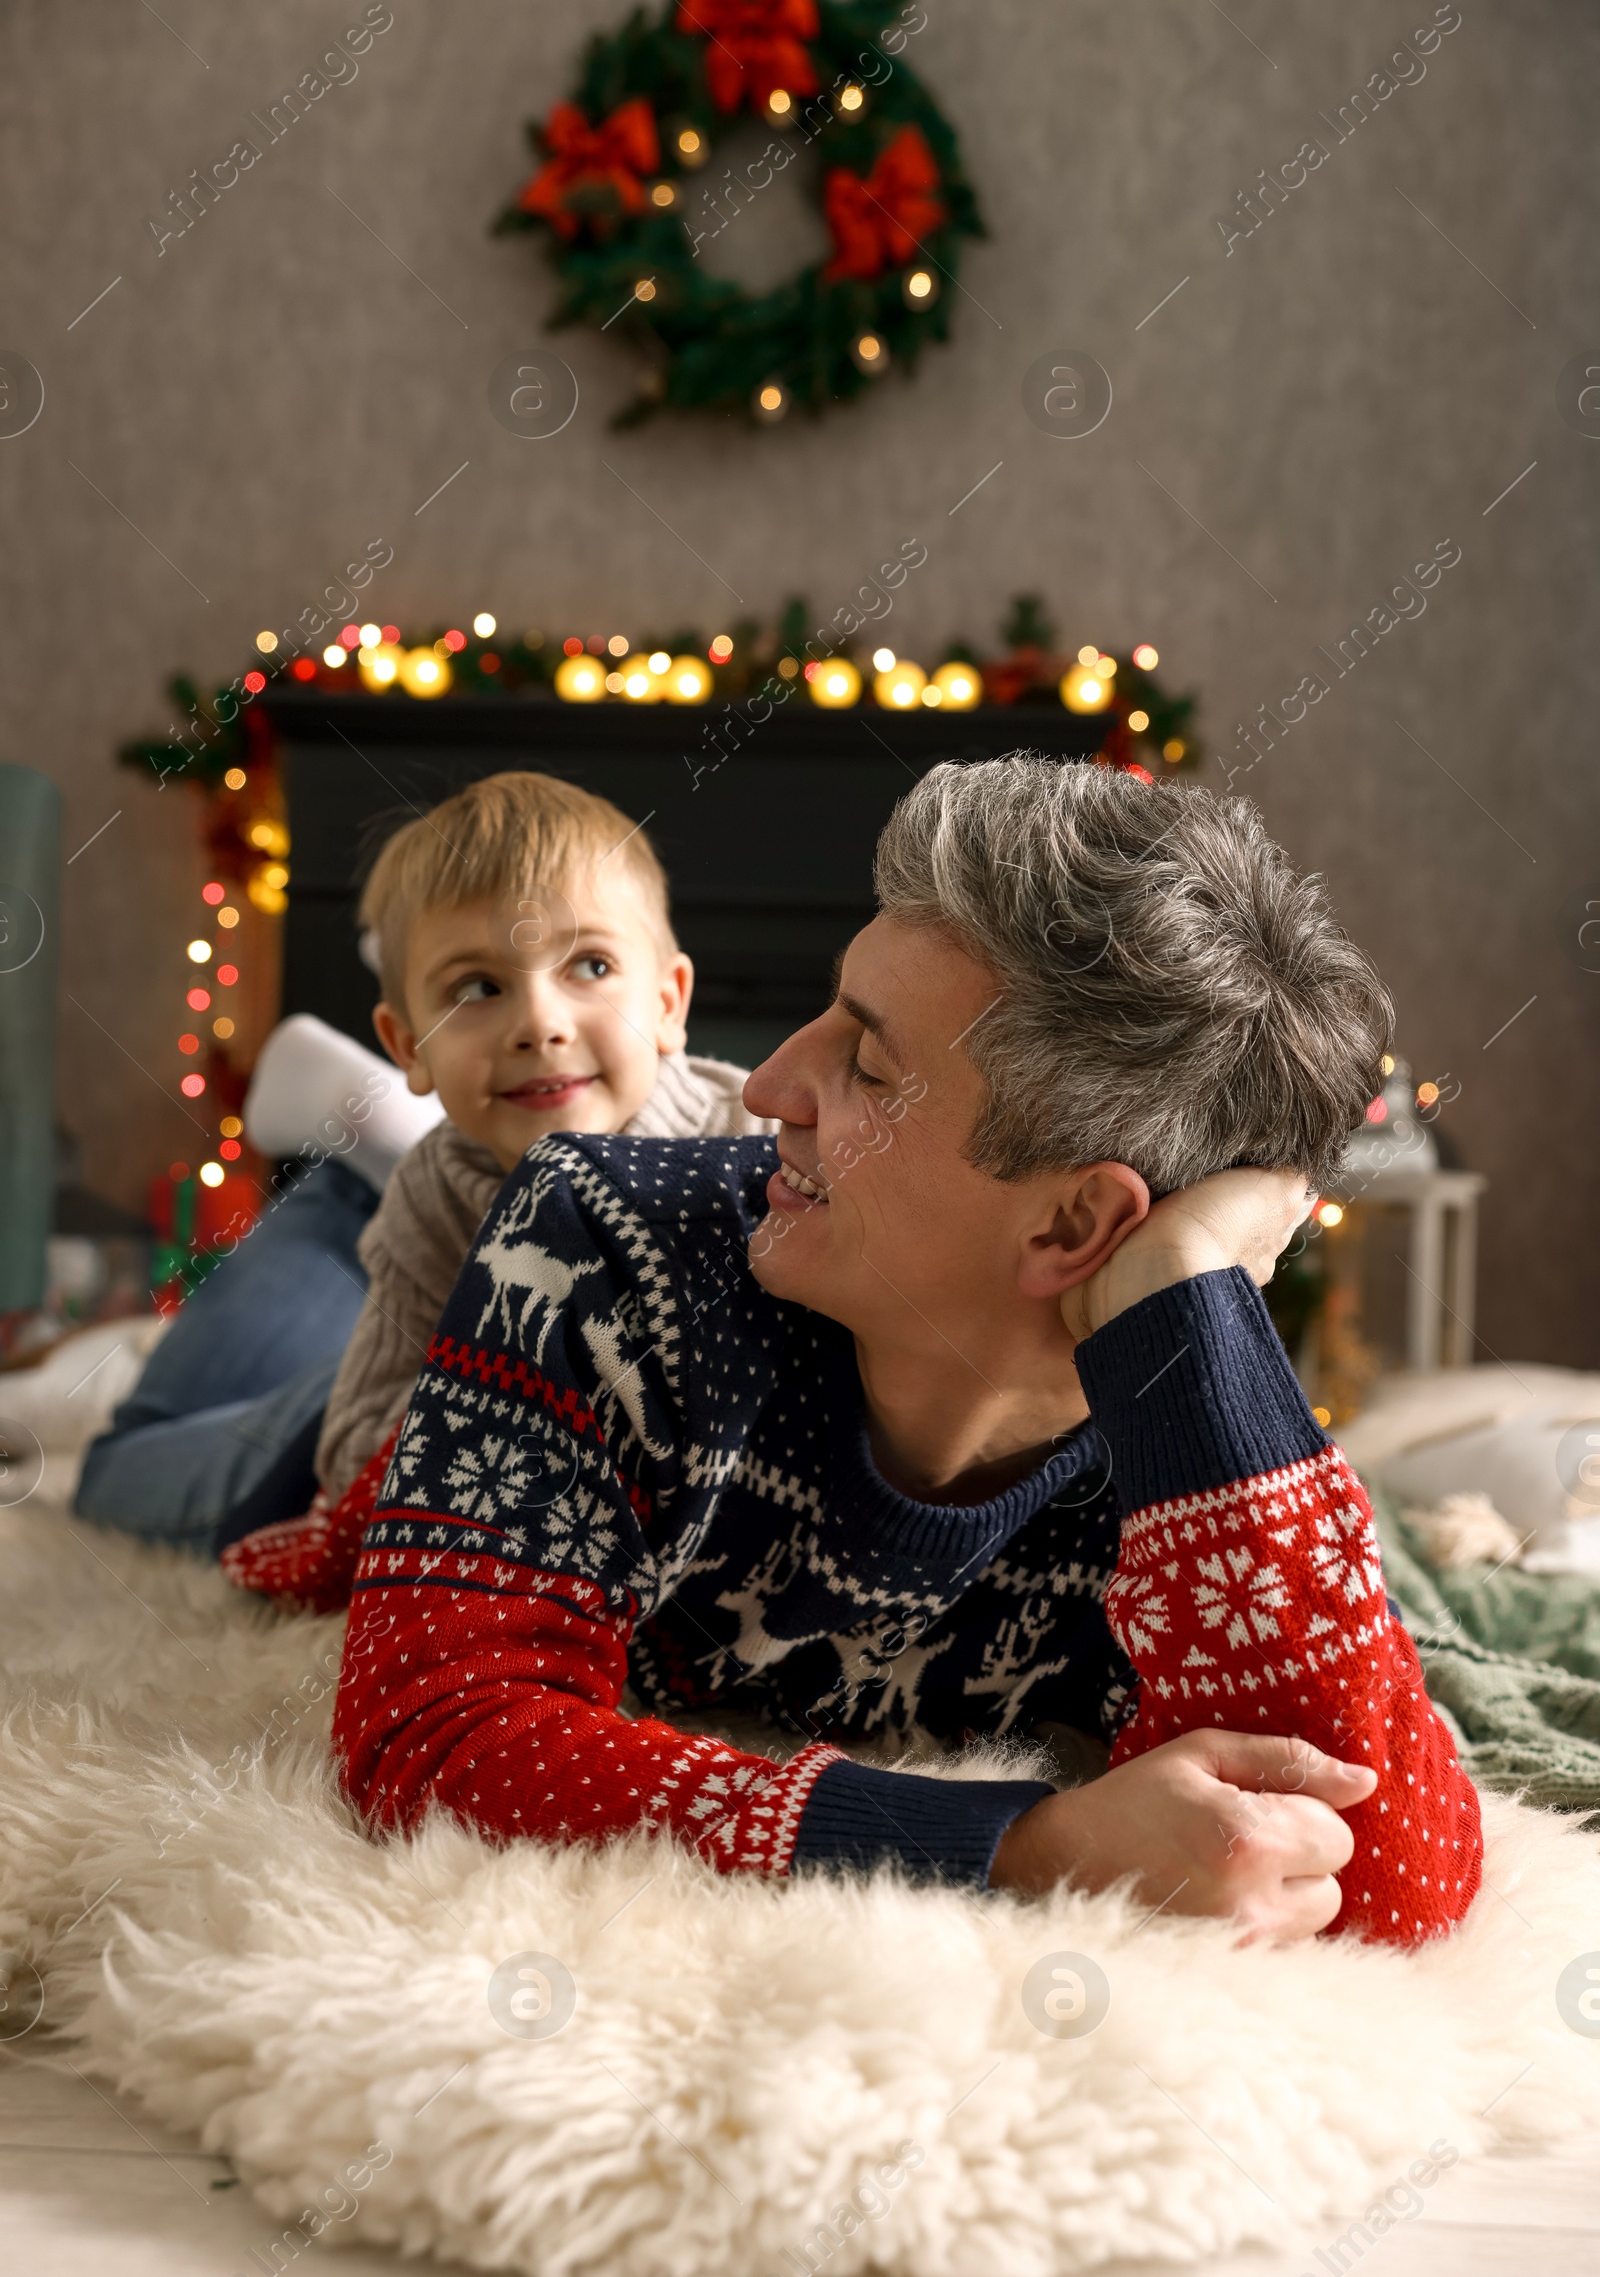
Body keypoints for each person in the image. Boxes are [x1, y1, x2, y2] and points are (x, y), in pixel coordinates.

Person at [329, 754, 1484, 1947]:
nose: (767, 1081)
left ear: (1077, 1224)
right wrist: (1013, 1846)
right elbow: (434, 1727)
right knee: (225, 1451)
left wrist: (1185, 1292)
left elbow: (1387, 1884)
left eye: (868, 1064)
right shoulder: (595, 1232)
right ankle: (339, 1181)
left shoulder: (1181, 1430)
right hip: (421, 1380)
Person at [74, 772, 770, 1554]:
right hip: (417, 1238)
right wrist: (508, 1389)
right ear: (408, 1044)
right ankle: (371, 1149)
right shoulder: (434, 1195)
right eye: (478, 986)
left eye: (592, 967)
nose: (540, 1023)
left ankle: (374, 1132)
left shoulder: (753, 1138)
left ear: (669, 1002)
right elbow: (350, 1451)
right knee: (111, 1482)